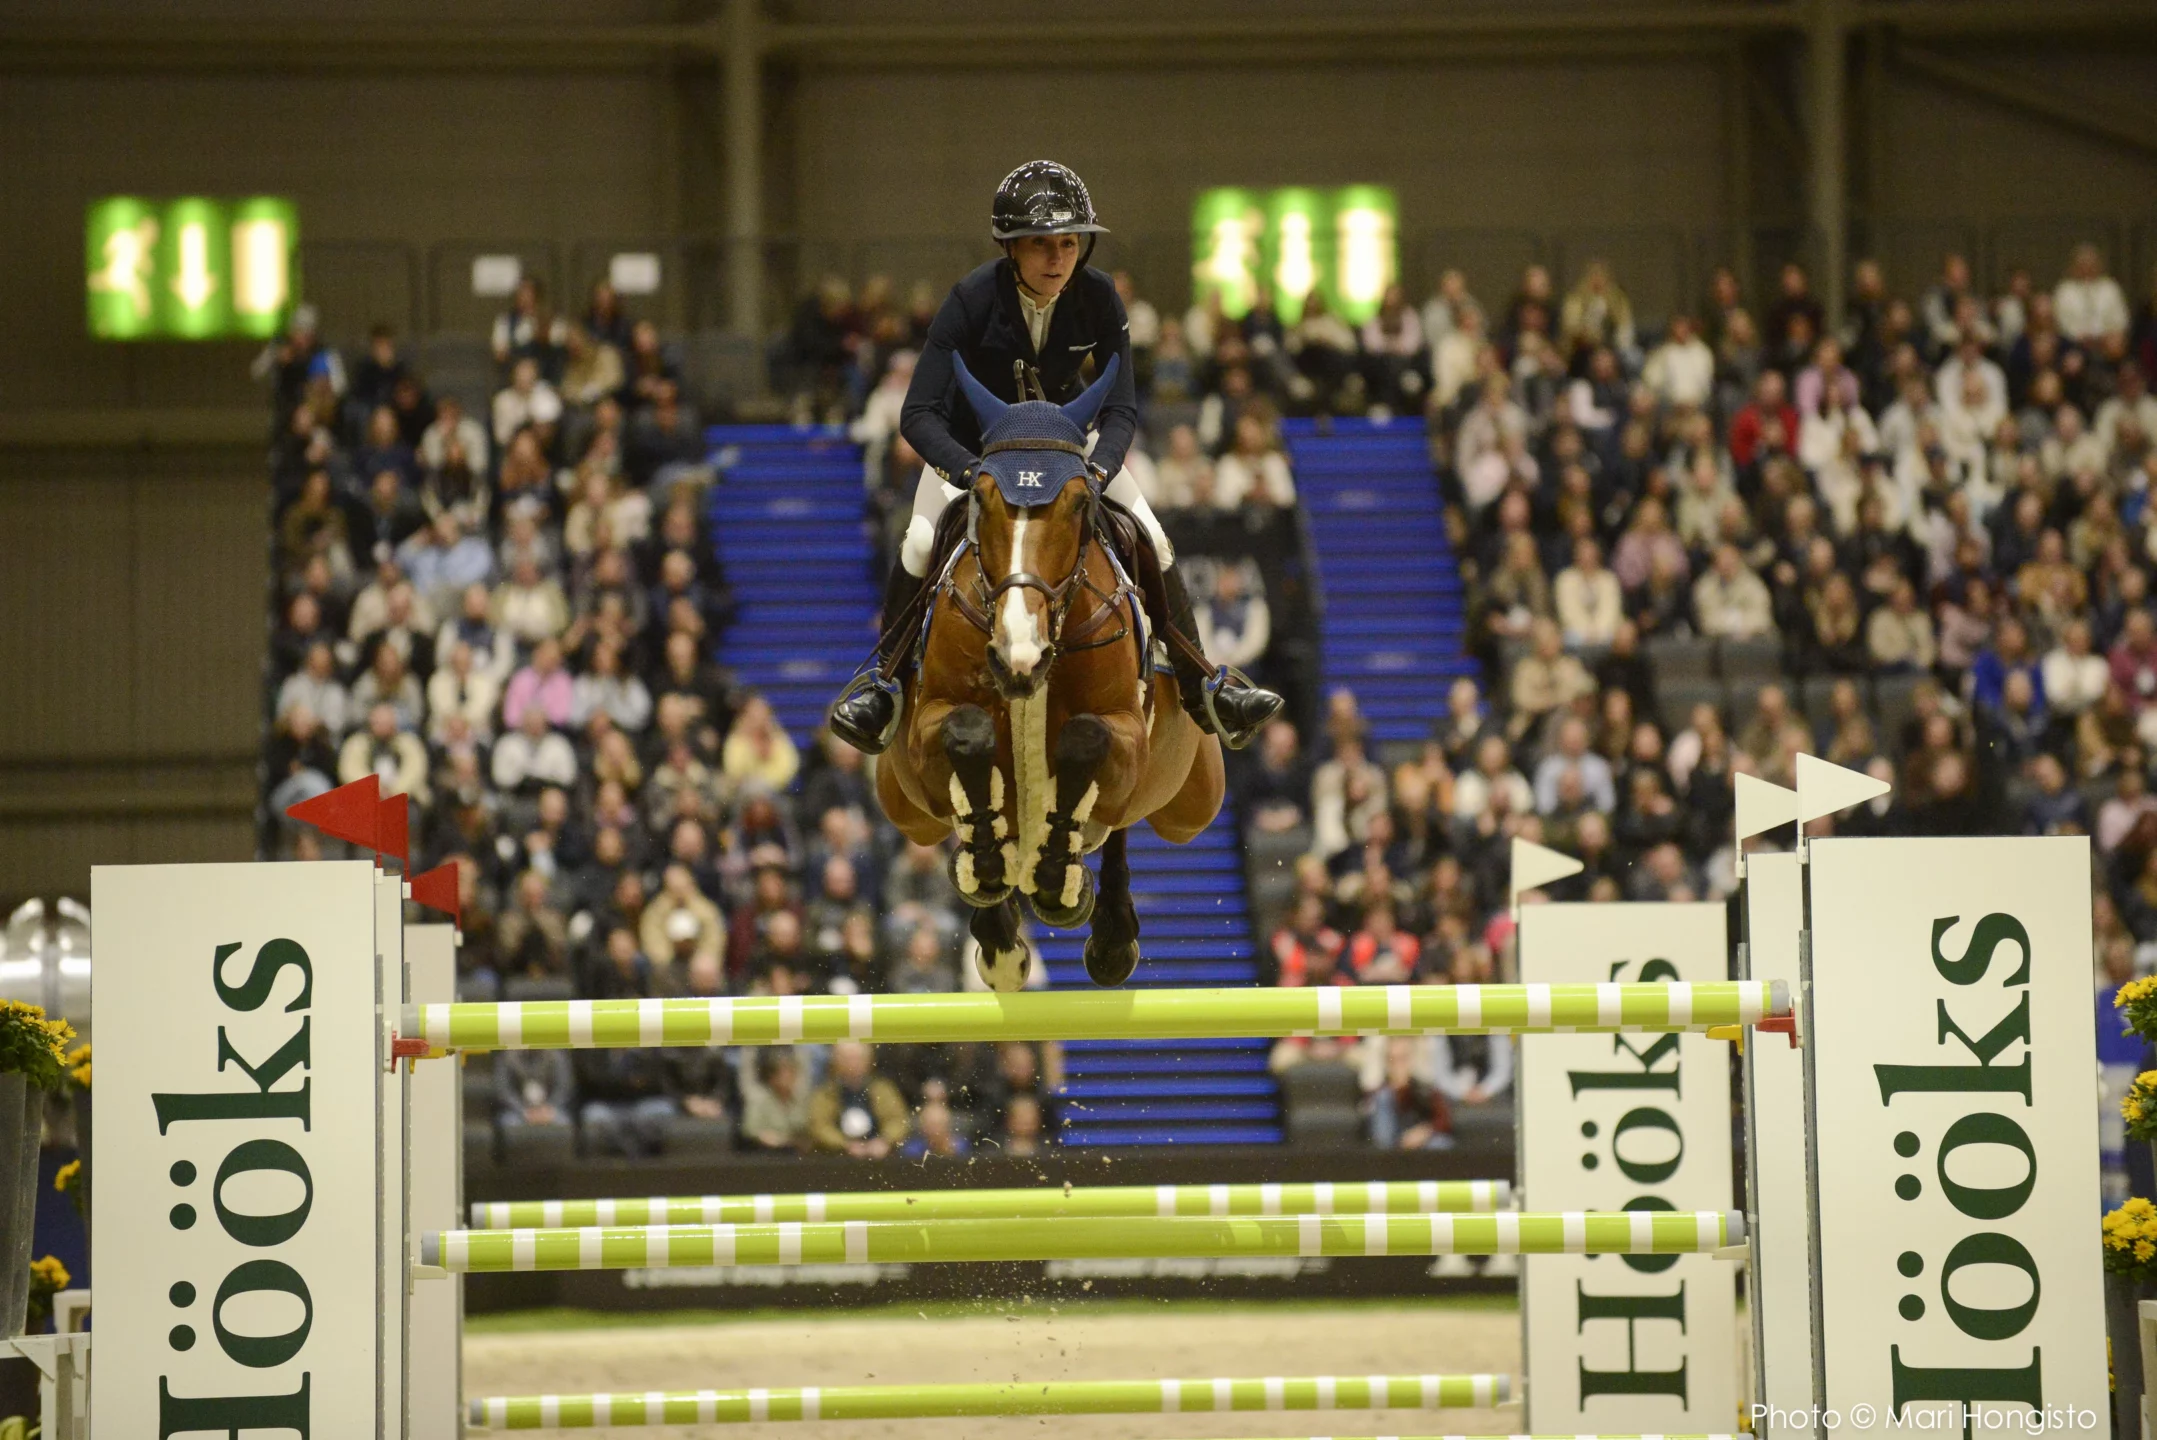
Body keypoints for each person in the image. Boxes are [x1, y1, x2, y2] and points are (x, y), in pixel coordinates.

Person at [827, 161, 1282, 753]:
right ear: (1011, 248)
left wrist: (1097, 471)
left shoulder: (1098, 299)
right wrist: (970, 474)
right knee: (918, 541)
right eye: (1041, 244)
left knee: (1155, 538)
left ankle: (1204, 687)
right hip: (976, 453)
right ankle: (882, 686)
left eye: (1069, 243)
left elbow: (1120, 411)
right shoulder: (969, 300)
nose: (1057, 258)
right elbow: (918, 413)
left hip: (1069, 455)